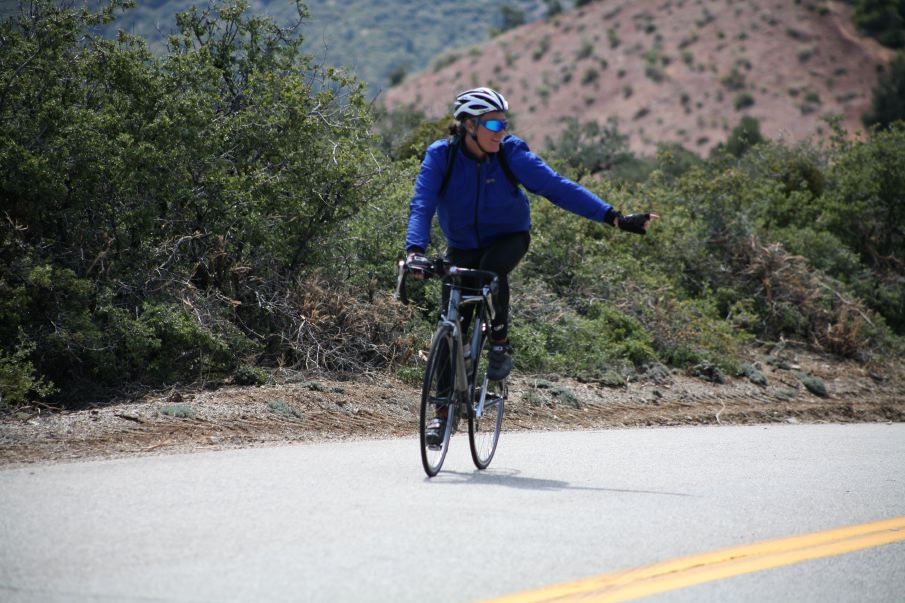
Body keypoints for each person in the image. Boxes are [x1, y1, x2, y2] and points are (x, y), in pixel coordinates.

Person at [404, 87, 657, 445]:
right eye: (492, 123)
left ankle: (501, 342)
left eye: (504, 123)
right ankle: (441, 415)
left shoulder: (510, 152)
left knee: (492, 272)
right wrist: (414, 251)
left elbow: (556, 187)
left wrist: (614, 217)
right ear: (468, 126)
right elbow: (421, 204)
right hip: (461, 246)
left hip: (509, 237)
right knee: (450, 323)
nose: (500, 130)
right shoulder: (441, 156)